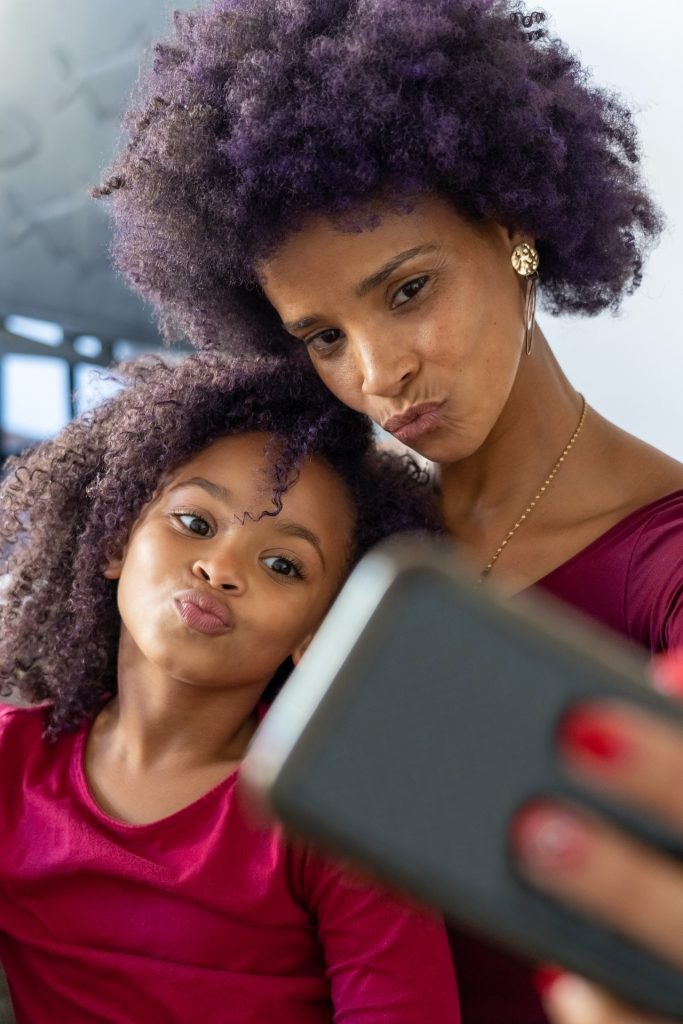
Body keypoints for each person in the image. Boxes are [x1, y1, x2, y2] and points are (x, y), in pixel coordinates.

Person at [95, 2, 683, 1020]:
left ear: (513, 231)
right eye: (322, 336)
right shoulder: (323, 561)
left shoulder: (662, 563)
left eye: (406, 289)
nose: (378, 373)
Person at [0, 352, 460, 1023]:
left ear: (321, 631)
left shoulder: (335, 813)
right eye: (194, 523)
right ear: (114, 543)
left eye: (282, 564)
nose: (219, 568)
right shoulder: (12, 762)